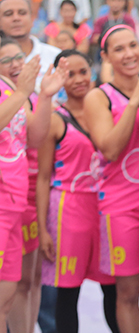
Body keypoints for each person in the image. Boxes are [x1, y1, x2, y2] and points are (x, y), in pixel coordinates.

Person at [83, 26, 139, 333]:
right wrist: (134, 102)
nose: (129, 54)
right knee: (128, 293)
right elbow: (110, 148)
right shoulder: (98, 97)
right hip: (122, 206)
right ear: (104, 56)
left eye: (133, 45)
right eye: (119, 49)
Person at [36, 51, 119, 333]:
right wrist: (43, 228)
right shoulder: (55, 119)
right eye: (69, 74)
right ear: (59, 78)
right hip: (68, 212)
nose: (78, 79)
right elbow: (44, 176)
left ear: (93, 71)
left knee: (114, 288)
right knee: (67, 291)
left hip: (107, 207)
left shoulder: (109, 110)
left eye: (83, 71)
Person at [0, 52, 41, 330]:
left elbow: (34, 140)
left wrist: (44, 96)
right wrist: (23, 92)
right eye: (7, 58)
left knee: (5, 301)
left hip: (13, 206)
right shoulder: (17, 93)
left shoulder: (11, 90)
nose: (15, 63)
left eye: (18, 56)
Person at [0, 0, 61, 90]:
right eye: (8, 14)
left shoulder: (56, 56)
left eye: (22, 13)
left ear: (33, 18)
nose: (16, 18)